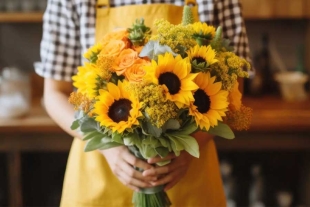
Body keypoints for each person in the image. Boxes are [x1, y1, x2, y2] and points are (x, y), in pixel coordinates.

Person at [36, 0, 251, 206]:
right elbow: (55, 93)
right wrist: (109, 149)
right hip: (100, 175)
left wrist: (187, 150)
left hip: (189, 176)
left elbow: (233, 91)